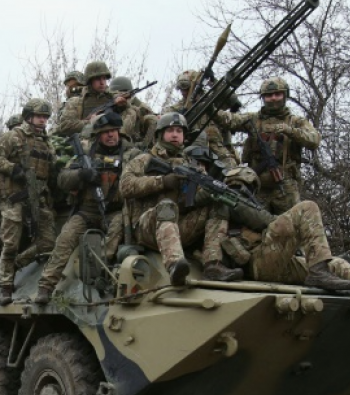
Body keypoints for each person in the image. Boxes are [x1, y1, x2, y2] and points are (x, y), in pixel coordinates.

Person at [214, 165, 350, 307]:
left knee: (335, 264)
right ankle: (318, 271)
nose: (239, 191)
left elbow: (267, 222)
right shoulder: (218, 207)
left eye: (245, 187)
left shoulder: (253, 209)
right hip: (255, 265)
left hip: (275, 261)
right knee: (306, 208)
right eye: (234, 187)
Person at [120, 113, 234, 285]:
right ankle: (175, 265)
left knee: (219, 205)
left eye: (179, 131)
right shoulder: (144, 160)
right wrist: (161, 182)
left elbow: (194, 199)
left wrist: (211, 192)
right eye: (170, 130)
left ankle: (213, 264)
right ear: (160, 134)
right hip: (148, 227)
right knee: (167, 205)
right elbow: (125, 186)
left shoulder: (192, 165)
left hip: (179, 224)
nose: (175, 134)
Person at [35, 110, 136, 304]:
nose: (111, 135)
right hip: (87, 210)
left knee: (117, 232)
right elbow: (62, 180)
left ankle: (102, 278)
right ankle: (46, 286)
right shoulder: (86, 154)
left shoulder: (131, 154)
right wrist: (82, 175)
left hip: (116, 211)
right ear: (98, 134)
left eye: (114, 130)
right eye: (106, 132)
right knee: (65, 238)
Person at [0, 98, 57, 305]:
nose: (43, 121)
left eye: (45, 117)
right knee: (10, 244)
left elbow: (51, 169)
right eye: (40, 116)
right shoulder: (14, 137)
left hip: (40, 198)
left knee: (48, 242)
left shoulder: (46, 141)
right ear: (29, 117)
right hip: (16, 199)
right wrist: (13, 169)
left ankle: (15, 265)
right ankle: (5, 285)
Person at [216, 76, 320, 213]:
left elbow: (314, 140)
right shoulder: (253, 119)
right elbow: (230, 120)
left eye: (278, 94)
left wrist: (290, 131)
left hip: (285, 186)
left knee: (292, 226)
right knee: (254, 228)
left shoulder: (295, 121)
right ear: (263, 98)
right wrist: (210, 106)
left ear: (285, 95)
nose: (273, 98)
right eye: (269, 95)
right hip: (258, 186)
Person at [162, 70, 240, 167]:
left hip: (216, 146)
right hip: (189, 148)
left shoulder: (211, 100)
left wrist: (213, 80)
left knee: (232, 166)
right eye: (181, 89)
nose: (183, 92)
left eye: (186, 88)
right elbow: (164, 119)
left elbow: (231, 100)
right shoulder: (177, 108)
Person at [54, 61, 115, 136]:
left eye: (104, 79)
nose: (102, 82)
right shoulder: (75, 102)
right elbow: (65, 126)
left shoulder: (113, 96)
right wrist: (90, 122)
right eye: (69, 86)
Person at [108, 76, 158, 145]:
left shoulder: (138, 105)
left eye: (124, 92)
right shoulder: (108, 105)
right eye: (116, 94)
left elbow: (153, 117)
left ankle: (145, 147)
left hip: (135, 139)